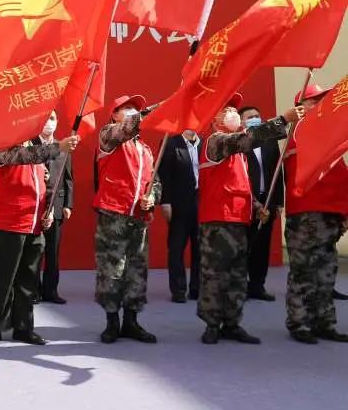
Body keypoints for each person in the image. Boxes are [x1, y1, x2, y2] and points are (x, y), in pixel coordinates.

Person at [196, 93, 296, 345]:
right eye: (227, 110)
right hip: (218, 220)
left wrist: (257, 206)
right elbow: (246, 138)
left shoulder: (238, 153)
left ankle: (232, 323)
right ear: (214, 119)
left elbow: (242, 186)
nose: (232, 113)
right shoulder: (216, 141)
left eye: (234, 109)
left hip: (239, 220)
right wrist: (283, 120)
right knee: (215, 274)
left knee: (237, 274)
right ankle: (212, 324)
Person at [0, 133, 78, 347]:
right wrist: (58, 147)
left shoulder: (35, 148)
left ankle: (23, 327)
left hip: (33, 224)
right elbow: (22, 156)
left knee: (28, 281)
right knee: (1, 280)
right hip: (6, 223)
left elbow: (44, 184)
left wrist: (48, 210)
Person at [281, 84, 348, 344]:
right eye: (315, 100)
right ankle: (299, 322)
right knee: (304, 271)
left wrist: (344, 211)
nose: (321, 104)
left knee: (326, 270)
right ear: (302, 106)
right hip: (306, 213)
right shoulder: (300, 130)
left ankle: (324, 322)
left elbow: (340, 176)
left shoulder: (326, 132)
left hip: (329, 212)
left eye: (322, 99)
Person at [92, 94, 159, 344]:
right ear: (114, 114)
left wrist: (152, 197)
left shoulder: (146, 149)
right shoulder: (108, 136)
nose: (132, 112)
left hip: (139, 218)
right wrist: (160, 108)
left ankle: (131, 321)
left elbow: (155, 181)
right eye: (127, 108)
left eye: (135, 109)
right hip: (114, 214)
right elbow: (128, 128)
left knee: (136, 271)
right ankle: (112, 322)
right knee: (112, 270)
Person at [239, 105, 282, 302]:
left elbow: (277, 171)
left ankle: (257, 286)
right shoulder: (238, 142)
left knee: (262, 246)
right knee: (243, 246)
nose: (255, 119)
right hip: (246, 201)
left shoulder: (269, 140)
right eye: (250, 117)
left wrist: (278, 202)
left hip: (267, 200)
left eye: (257, 115)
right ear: (242, 121)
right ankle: (240, 286)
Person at [158, 129, 201, 303]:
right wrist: (165, 201)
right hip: (178, 204)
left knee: (200, 247)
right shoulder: (170, 143)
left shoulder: (205, 143)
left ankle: (197, 288)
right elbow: (164, 174)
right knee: (176, 248)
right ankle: (178, 289)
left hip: (201, 202)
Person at [35, 111, 71, 305]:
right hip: (36, 205)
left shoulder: (63, 147)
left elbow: (69, 178)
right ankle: (33, 291)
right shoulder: (31, 145)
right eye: (46, 118)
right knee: (35, 251)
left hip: (56, 205)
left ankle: (51, 291)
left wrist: (68, 204)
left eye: (53, 119)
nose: (49, 123)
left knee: (52, 252)